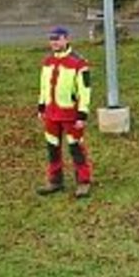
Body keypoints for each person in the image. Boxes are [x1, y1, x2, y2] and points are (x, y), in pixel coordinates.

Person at [36, 26, 93, 198]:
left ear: (66, 39)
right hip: (51, 114)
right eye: (52, 39)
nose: (54, 42)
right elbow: (44, 86)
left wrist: (82, 114)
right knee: (52, 148)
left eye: (58, 39)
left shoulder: (79, 63)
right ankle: (55, 181)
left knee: (76, 148)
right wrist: (41, 106)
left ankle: (83, 182)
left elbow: (85, 90)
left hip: (71, 115)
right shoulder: (47, 62)